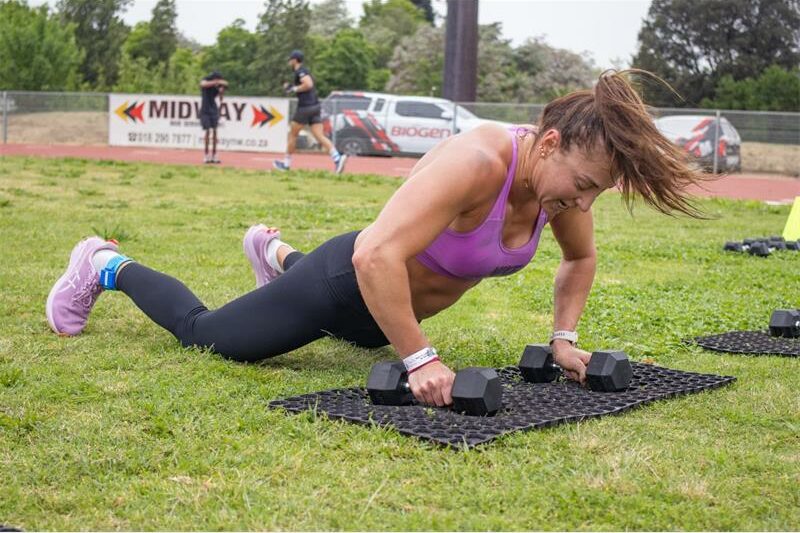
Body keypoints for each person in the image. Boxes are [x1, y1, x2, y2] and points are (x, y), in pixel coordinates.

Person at [46, 70, 706, 408]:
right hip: (348, 283)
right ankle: (106, 263)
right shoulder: (478, 162)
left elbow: (581, 257)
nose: (584, 202)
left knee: (360, 335)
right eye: (584, 184)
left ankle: (274, 255)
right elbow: (374, 254)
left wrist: (564, 340)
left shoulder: (558, 185)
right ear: (552, 142)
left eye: (596, 193)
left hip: (386, 315)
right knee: (209, 336)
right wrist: (422, 359)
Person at [273, 50, 347, 174]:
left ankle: (286, 165)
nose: (289, 62)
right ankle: (337, 158)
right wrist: (292, 88)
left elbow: (308, 84)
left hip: (305, 107)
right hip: (315, 106)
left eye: (290, 59)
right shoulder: (302, 71)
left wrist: (294, 88)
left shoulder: (300, 71)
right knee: (319, 135)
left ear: (295, 60)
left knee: (292, 135)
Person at [199, 71, 228, 164]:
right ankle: (206, 154)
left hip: (213, 109)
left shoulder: (217, 86)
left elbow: (221, 98)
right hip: (205, 110)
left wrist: (221, 91)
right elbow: (203, 84)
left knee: (215, 131)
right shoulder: (206, 80)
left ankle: (214, 154)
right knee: (207, 131)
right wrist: (216, 82)